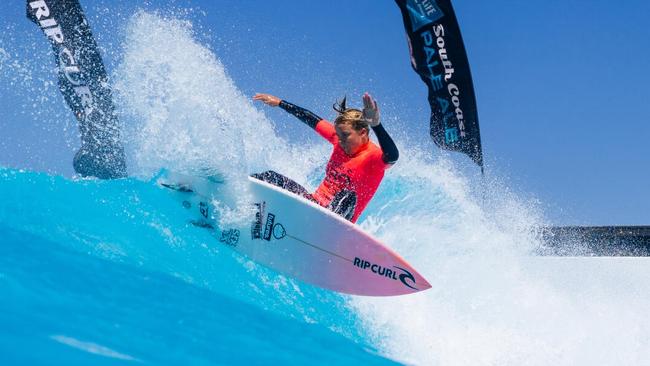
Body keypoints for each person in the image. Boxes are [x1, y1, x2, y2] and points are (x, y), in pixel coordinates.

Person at [252, 92, 399, 223]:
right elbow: (309, 118)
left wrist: (376, 125)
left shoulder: (373, 157)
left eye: (345, 136)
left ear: (362, 133)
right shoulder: (339, 140)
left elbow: (392, 156)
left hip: (337, 221)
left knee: (348, 196)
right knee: (269, 177)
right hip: (312, 205)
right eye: (338, 136)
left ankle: (326, 226)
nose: (340, 141)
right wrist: (280, 103)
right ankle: (248, 217)